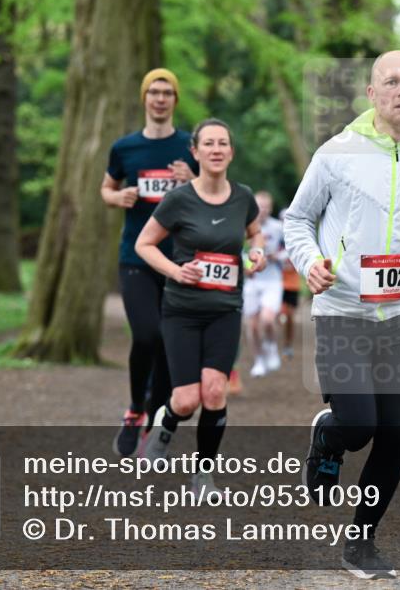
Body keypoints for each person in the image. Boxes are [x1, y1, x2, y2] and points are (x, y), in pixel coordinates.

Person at [283, 50, 400, 580]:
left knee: (393, 435)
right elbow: (297, 220)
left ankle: (360, 545)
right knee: (359, 424)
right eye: (392, 81)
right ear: (371, 93)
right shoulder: (336, 154)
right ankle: (329, 434)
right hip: (342, 309)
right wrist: (311, 262)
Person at [135, 118, 265, 494]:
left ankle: (203, 475)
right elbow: (144, 244)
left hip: (225, 309)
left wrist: (256, 253)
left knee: (214, 392)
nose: (216, 150)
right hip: (183, 310)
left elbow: (255, 232)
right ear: (195, 151)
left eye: (222, 143)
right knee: (186, 400)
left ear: (231, 152)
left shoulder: (243, 197)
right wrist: (176, 271)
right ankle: (165, 424)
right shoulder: (179, 199)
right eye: (208, 143)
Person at [102, 68, 197, 458]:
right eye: (153, 92)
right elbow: (106, 188)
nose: (160, 99)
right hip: (136, 258)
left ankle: (155, 419)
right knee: (146, 336)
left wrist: (192, 178)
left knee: (168, 344)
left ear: (175, 100)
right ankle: (135, 409)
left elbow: (214, 190)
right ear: (144, 98)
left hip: (179, 261)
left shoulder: (190, 146)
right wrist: (117, 197)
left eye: (167, 93)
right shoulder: (124, 147)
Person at [243, 191, 285, 377]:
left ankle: (271, 346)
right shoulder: (243, 226)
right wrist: (245, 266)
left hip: (272, 280)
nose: (263, 210)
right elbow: (239, 250)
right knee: (252, 325)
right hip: (252, 282)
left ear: (271, 208)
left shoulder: (278, 227)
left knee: (267, 319)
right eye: (259, 207)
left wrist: (277, 256)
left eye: (266, 207)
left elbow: (291, 250)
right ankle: (258, 360)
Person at [279, 209, 301, 361]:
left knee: (290, 316)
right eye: (283, 220)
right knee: (278, 314)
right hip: (277, 283)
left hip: (293, 283)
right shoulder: (275, 237)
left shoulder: (297, 238)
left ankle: (287, 345)